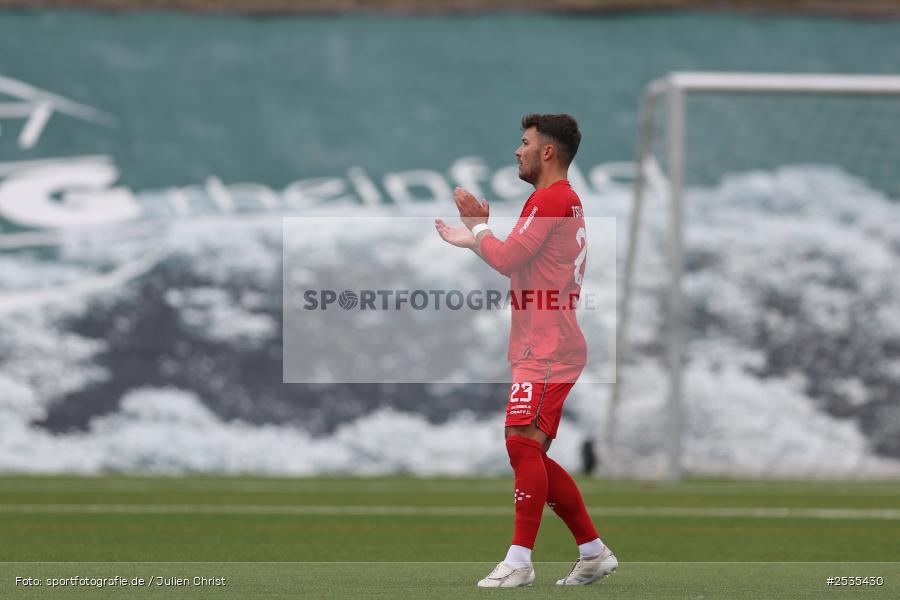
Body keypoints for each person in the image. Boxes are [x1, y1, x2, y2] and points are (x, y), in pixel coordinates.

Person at [435, 113, 617, 588]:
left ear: (548, 152)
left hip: (548, 347)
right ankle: (593, 552)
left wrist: (478, 230)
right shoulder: (560, 200)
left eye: (524, 143)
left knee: (520, 444)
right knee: (530, 451)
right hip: (547, 343)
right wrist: (476, 241)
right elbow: (513, 259)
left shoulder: (551, 197)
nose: (518, 151)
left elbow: (509, 258)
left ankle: (519, 561)